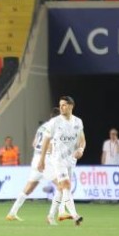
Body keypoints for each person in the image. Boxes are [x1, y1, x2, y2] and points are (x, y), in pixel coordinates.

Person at [5, 119, 69, 222]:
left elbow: (34, 143)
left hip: (36, 159)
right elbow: (50, 147)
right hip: (45, 160)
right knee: (62, 185)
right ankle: (57, 214)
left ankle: (12, 213)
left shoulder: (41, 128)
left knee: (29, 188)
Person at [36, 96, 86, 226]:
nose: (61, 107)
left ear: (71, 106)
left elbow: (82, 140)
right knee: (67, 185)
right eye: (60, 105)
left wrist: (81, 150)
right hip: (58, 159)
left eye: (64, 105)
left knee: (61, 188)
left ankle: (50, 216)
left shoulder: (78, 122)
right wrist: (42, 160)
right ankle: (75, 215)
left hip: (71, 160)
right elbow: (46, 141)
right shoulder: (54, 122)